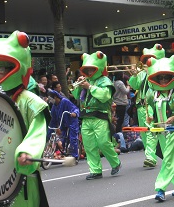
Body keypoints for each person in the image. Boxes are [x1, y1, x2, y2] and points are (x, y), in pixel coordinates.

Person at [0, 31, 50, 206]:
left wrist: (28, 152)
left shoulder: (29, 101)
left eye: (0, 69)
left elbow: (37, 131)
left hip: (20, 179)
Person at [146, 55, 174, 202]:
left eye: (166, 77)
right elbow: (151, 112)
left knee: (169, 160)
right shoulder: (153, 94)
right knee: (168, 159)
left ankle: (160, 188)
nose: (164, 81)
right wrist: (150, 119)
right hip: (160, 131)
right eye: (161, 78)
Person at [70, 51, 121, 180]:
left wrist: (89, 87)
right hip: (86, 116)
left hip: (100, 115)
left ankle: (115, 163)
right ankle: (95, 170)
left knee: (103, 142)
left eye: (92, 69)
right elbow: (76, 96)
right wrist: (78, 86)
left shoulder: (105, 80)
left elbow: (105, 96)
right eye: (87, 69)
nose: (89, 72)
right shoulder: (85, 80)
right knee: (89, 145)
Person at [128, 43, 165, 168]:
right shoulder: (142, 73)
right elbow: (135, 85)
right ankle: (157, 155)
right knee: (144, 133)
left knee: (151, 131)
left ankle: (150, 157)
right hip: (140, 106)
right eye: (146, 59)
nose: (147, 62)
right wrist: (133, 75)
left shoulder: (159, 72)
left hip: (151, 104)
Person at [48, 90, 80, 159]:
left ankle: (75, 157)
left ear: (56, 97)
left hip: (71, 121)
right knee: (63, 139)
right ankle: (64, 151)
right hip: (63, 123)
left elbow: (74, 108)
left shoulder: (65, 101)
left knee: (73, 138)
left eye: (52, 98)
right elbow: (53, 119)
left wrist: (74, 113)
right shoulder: (54, 107)